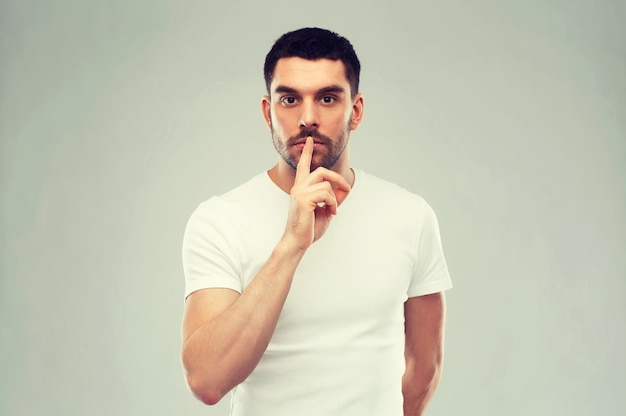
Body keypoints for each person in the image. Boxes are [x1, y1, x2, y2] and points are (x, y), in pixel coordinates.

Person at [181, 27, 452, 416]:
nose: (308, 118)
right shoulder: (220, 219)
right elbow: (206, 380)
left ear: (354, 111)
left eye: (327, 98)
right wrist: (291, 245)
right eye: (289, 99)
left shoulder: (410, 215)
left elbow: (424, 368)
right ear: (267, 112)